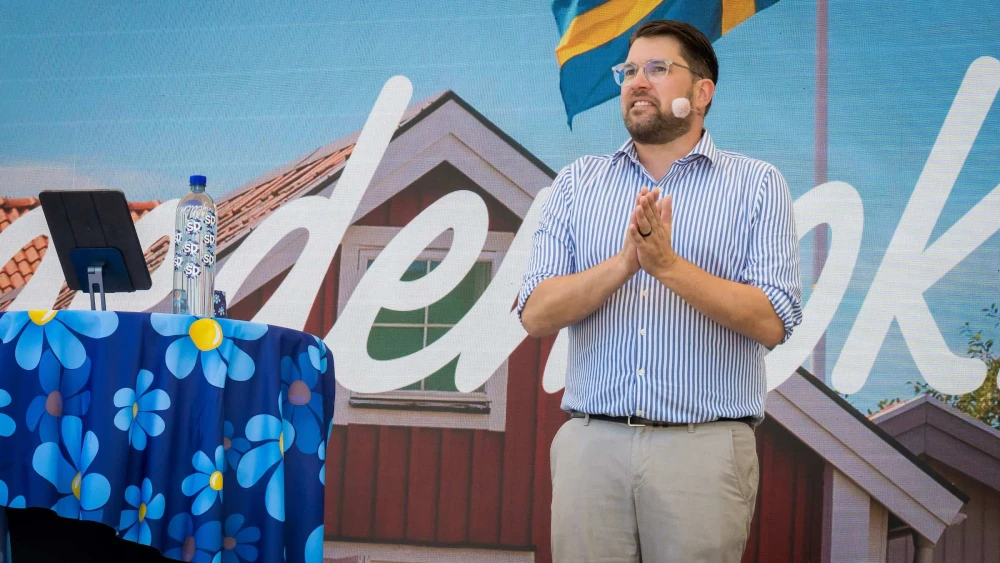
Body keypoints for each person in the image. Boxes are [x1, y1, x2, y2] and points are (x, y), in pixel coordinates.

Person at [517, 19, 803, 563]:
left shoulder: (756, 184)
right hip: (592, 446)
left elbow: (773, 319)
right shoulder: (578, 183)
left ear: (702, 92)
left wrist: (668, 267)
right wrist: (626, 264)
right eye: (628, 70)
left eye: (657, 69)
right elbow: (536, 313)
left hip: (704, 449)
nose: (636, 82)